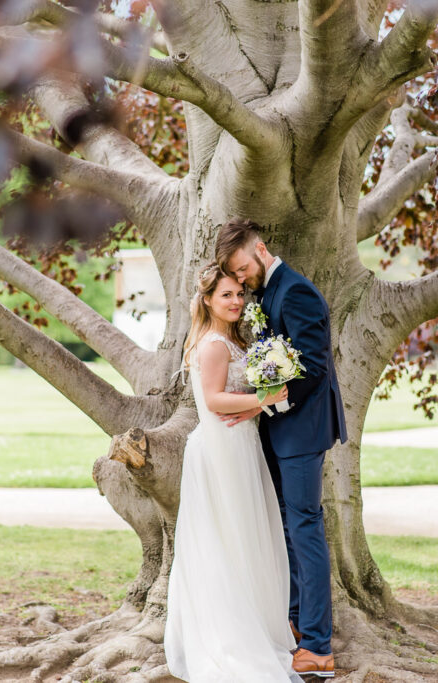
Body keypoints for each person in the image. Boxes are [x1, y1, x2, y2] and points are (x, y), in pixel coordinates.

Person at [215, 218, 348, 679]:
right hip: (280, 428)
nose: (240, 279)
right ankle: (295, 623)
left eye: (241, 268)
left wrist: (259, 405)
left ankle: (317, 647)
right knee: (288, 530)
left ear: (260, 249)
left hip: (303, 431)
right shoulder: (267, 293)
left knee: (305, 529)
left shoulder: (296, 291)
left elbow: (312, 368)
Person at [164, 264, 303, 683]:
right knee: (227, 539)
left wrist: (260, 398)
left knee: (245, 538)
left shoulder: (234, 339)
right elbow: (213, 400)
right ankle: (230, 635)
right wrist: (264, 399)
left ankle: (258, 624)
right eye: (227, 295)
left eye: (240, 294)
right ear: (207, 299)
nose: (237, 301)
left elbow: (233, 398)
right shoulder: (211, 344)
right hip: (220, 450)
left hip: (241, 446)